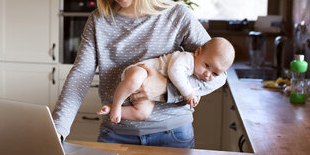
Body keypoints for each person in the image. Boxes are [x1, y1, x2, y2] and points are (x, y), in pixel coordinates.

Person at [52, 0, 227, 149]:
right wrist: (59, 128)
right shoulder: (98, 21)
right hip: (116, 133)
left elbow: (218, 77)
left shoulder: (177, 15)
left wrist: (166, 88)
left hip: (172, 135)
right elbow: (80, 76)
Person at [98, 37, 235, 123]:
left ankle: (111, 110)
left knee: (142, 113)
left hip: (148, 96)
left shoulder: (199, 73)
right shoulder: (187, 59)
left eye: (215, 74)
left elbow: (200, 86)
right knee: (134, 80)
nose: (207, 75)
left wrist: (196, 94)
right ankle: (116, 104)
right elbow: (175, 72)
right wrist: (188, 93)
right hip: (143, 70)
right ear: (198, 52)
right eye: (206, 66)